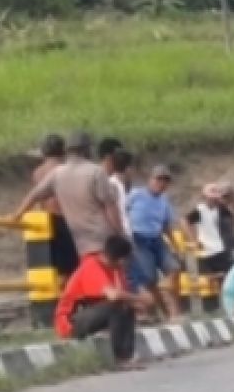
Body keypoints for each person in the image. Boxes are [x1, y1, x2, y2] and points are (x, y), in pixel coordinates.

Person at [13, 131, 121, 272]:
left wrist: (16, 215)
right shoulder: (94, 172)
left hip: (66, 232)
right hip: (90, 233)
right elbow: (109, 206)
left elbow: (34, 196)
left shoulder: (52, 173)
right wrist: (119, 232)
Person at [54, 234, 140, 371]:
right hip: (70, 322)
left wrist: (135, 302)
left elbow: (120, 294)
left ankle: (127, 355)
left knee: (126, 306)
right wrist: (140, 299)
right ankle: (121, 357)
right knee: (117, 305)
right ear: (120, 259)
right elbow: (114, 295)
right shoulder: (92, 266)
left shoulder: (112, 269)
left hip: (88, 314)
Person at [125, 165, 183, 320]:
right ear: (150, 180)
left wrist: (175, 246)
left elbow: (166, 225)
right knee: (149, 278)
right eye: (159, 179)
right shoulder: (136, 194)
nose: (161, 183)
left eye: (165, 180)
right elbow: (123, 211)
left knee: (175, 269)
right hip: (139, 238)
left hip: (156, 238)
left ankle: (174, 310)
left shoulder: (164, 201)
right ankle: (164, 311)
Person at [27, 134, 78, 284]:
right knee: (70, 267)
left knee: (51, 265)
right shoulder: (67, 169)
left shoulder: (38, 172)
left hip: (45, 220)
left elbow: (39, 199)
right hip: (65, 219)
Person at [185, 183, 234, 285]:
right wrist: (193, 239)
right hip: (211, 249)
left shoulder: (219, 209)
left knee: (229, 277)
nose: (215, 200)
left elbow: (233, 219)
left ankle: (213, 277)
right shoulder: (201, 210)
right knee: (227, 276)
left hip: (222, 248)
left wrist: (233, 203)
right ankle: (212, 277)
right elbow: (185, 221)